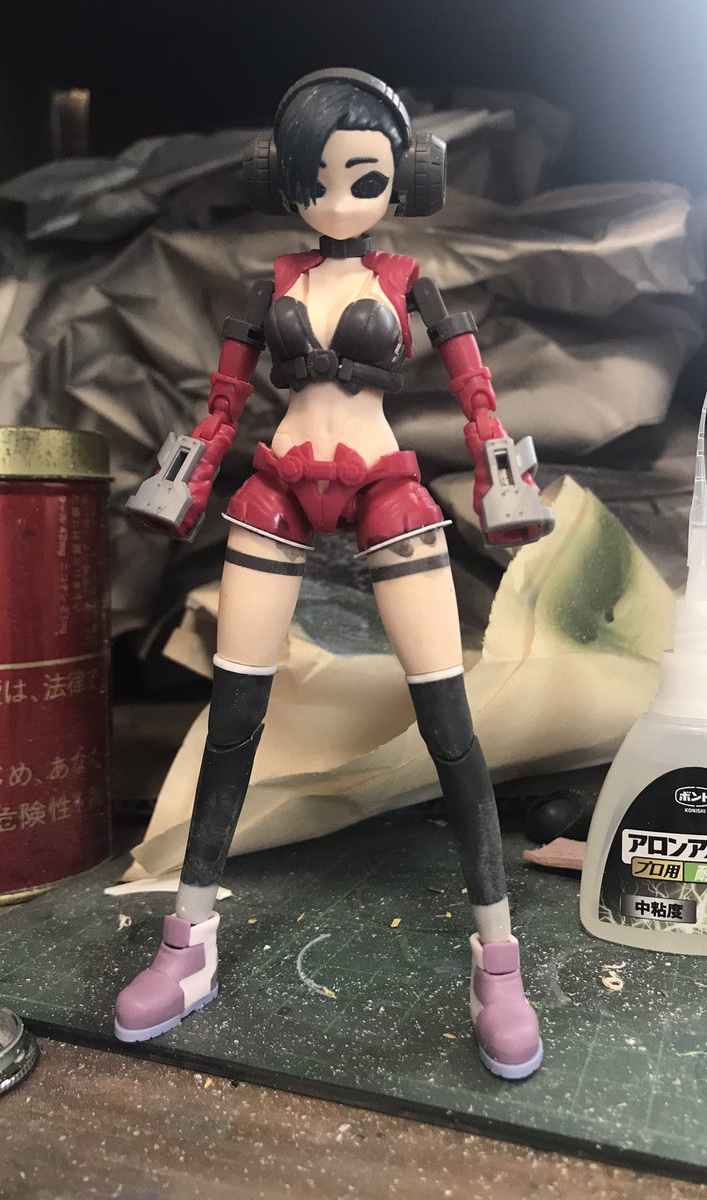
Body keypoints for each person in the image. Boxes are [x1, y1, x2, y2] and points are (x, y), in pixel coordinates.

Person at [116, 68, 551, 1080]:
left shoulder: (411, 284)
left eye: (363, 177)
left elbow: (478, 395)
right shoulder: (268, 285)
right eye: (316, 179)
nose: (338, 198)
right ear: (283, 178)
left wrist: (504, 475)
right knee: (233, 716)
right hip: (278, 487)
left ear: (407, 177)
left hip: (384, 486)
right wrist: (183, 477)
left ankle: (497, 961)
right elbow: (223, 406)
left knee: (449, 723)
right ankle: (187, 942)